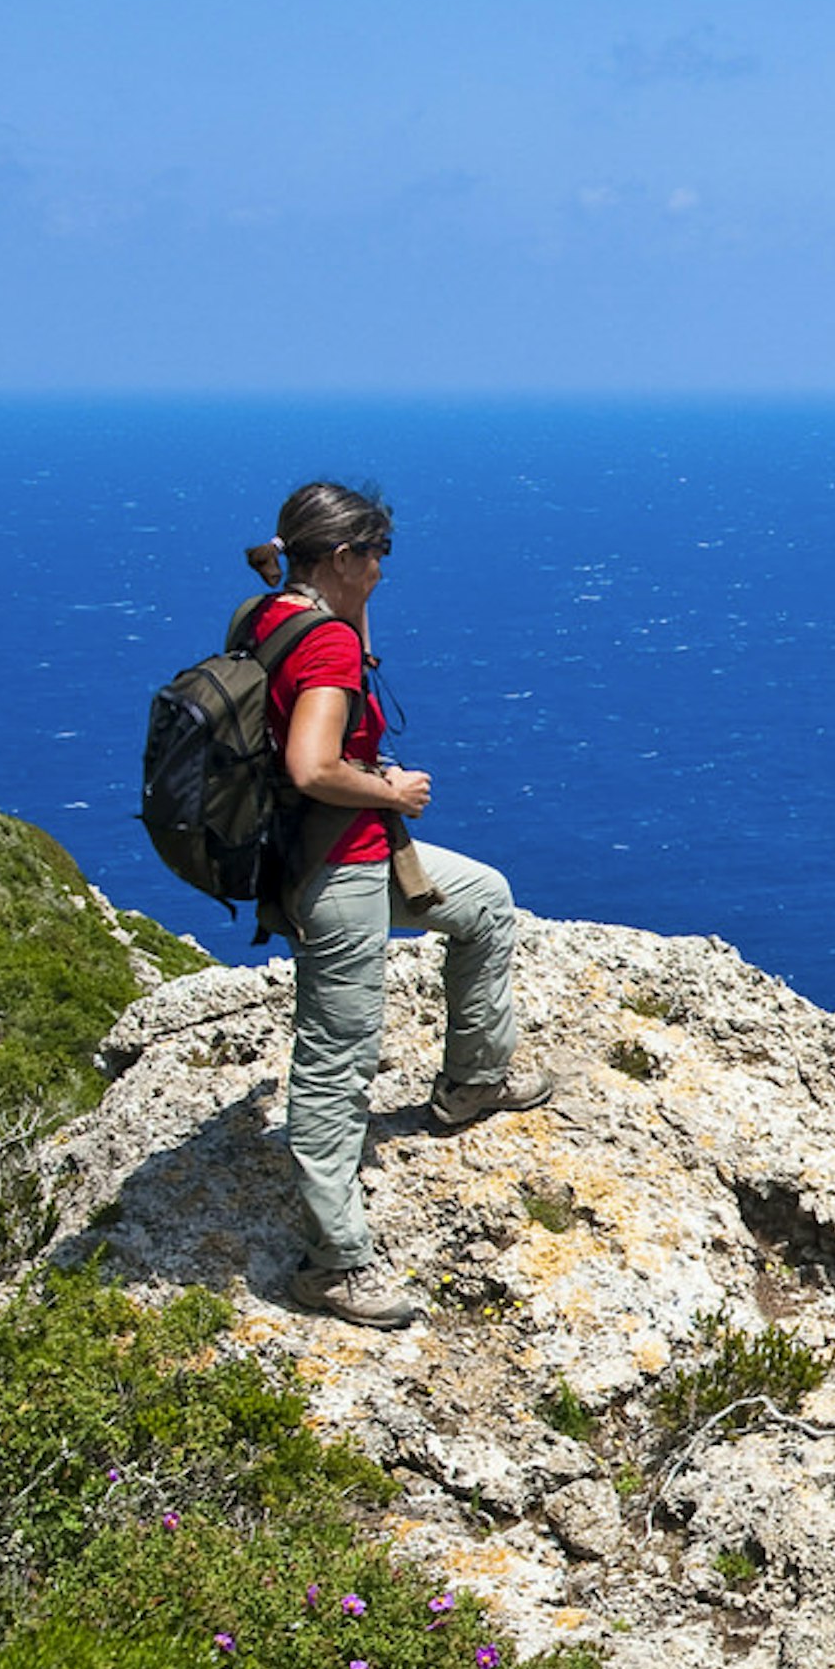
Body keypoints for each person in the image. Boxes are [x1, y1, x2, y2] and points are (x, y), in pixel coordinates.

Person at [245, 480, 555, 1329]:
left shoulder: (272, 616)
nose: (384, 569)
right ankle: (334, 1265)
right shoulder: (326, 649)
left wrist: (347, 611)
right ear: (342, 556)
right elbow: (312, 766)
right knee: (337, 1063)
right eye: (375, 554)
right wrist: (392, 790)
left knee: (485, 902)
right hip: (339, 867)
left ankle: (473, 1083)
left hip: (323, 848)